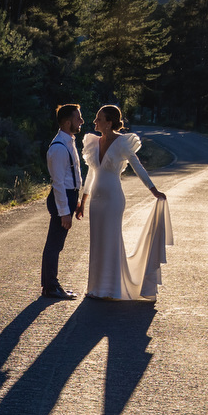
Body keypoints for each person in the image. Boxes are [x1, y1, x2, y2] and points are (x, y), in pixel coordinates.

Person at [81, 105, 171, 301]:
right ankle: (96, 287)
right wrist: (83, 200)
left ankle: (111, 288)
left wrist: (153, 190)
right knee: (97, 240)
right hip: (96, 199)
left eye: (98, 118)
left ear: (109, 122)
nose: (95, 122)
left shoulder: (122, 143)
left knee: (111, 239)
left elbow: (137, 166)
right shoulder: (93, 142)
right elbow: (90, 173)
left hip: (113, 198)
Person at [40, 103, 85, 300]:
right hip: (62, 198)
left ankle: (51, 285)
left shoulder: (69, 141)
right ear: (67, 123)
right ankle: (51, 287)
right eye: (78, 118)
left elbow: (70, 176)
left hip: (69, 196)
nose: (81, 121)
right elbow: (58, 183)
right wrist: (64, 212)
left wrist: (74, 201)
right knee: (54, 245)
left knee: (56, 244)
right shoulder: (58, 147)